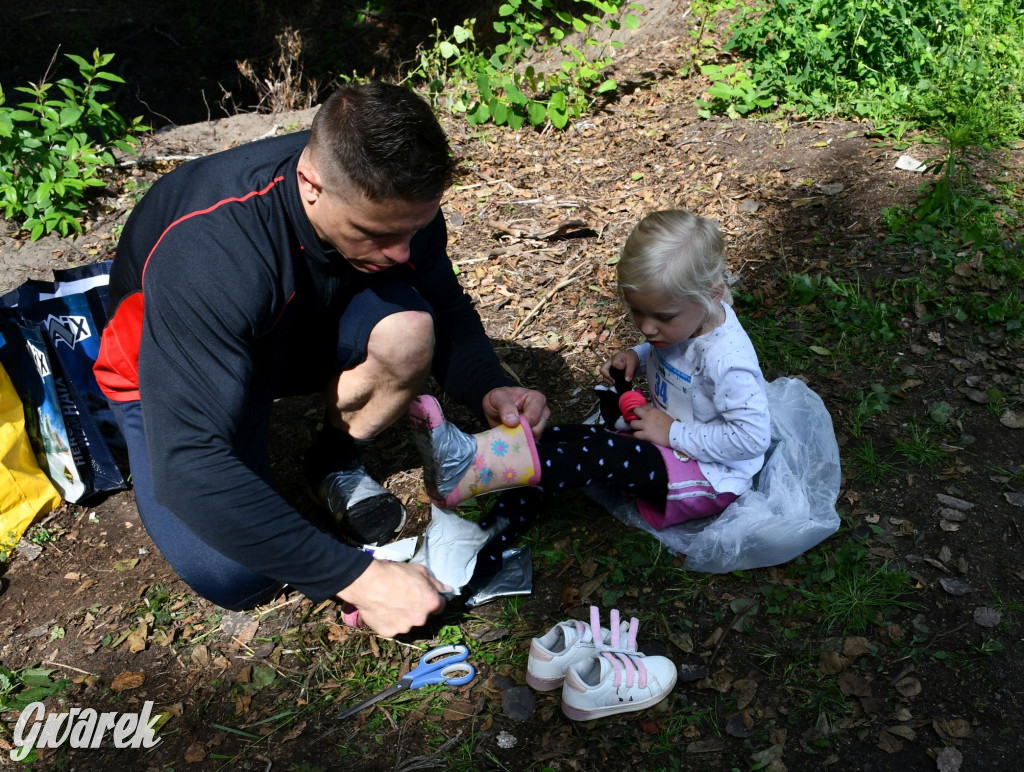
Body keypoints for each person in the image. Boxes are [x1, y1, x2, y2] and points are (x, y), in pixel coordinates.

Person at [93, 81, 549, 637]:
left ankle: (332, 460)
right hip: (174, 366)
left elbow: (444, 304)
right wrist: (358, 579)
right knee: (238, 575)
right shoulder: (212, 252)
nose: (402, 252)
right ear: (311, 187)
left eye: (414, 230)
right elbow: (188, 467)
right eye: (377, 235)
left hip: (292, 322)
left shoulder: (391, 200)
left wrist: (488, 386)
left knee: (409, 331)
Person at [409, 210, 770, 574]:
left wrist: (672, 432)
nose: (646, 327)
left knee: (600, 454)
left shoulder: (729, 361)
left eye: (661, 317)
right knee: (552, 440)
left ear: (712, 295)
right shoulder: (686, 321)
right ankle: (473, 552)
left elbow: (752, 438)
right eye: (636, 312)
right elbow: (674, 352)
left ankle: (472, 470)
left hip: (709, 476)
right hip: (667, 445)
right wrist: (638, 357)